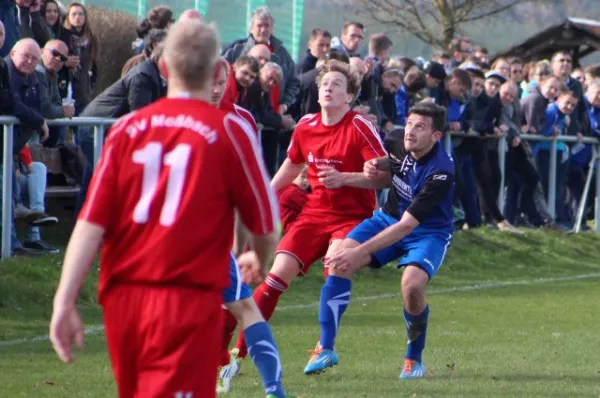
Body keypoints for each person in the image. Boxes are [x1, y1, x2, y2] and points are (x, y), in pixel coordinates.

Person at [48, 20, 279, 398]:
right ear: (219, 71)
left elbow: (90, 224)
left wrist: (64, 299)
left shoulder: (125, 130)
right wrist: (259, 258)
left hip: (123, 297)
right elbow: (266, 224)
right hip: (185, 297)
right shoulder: (230, 130)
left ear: (164, 68)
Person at [229, 59, 387, 363]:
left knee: (338, 264)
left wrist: (346, 179)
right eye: (325, 84)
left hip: (352, 217)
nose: (328, 88)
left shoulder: (359, 125)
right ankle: (239, 352)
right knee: (275, 276)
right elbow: (292, 164)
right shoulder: (306, 125)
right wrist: (264, 196)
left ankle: (325, 348)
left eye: (337, 84)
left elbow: (385, 176)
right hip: (314, 214)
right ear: (318, 94)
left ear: (349, 97)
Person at [304, 102, 455, 379]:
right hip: (387, 218)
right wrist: (372, 165)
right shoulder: (398, 139)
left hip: (427, 231)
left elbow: (407, 226)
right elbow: (391, 173)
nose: (410, 131)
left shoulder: (441, 171)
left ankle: (413, 360)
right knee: (338, 260)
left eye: (420, 127)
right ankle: (325, 347)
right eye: (409, 123)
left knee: (411, 287)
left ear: (436, 136)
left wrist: (358, 252)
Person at [210, 57, 289, 398]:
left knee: (244, 307)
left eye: (220, 81)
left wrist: (240, 249)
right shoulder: (167, 117)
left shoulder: (241, 120)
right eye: (207, 80)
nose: (215, 89)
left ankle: (274, 389)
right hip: (173, 240)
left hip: (214, 238)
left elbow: (248, 191)